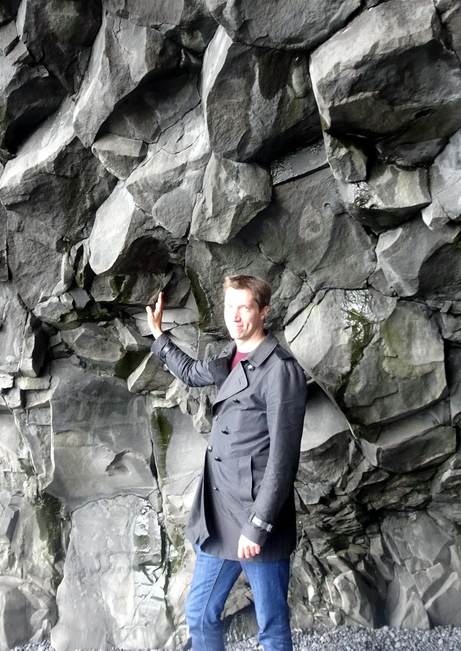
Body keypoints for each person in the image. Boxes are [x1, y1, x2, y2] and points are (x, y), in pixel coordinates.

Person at [146, 275, 308, 651]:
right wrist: (159, 335)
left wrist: (258, 525)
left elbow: (283, 460)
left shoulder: (280, 370)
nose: (235, 316)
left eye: (245, 307)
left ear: (263, 311)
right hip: (219, 515)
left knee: (272, 630)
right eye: (229, 307)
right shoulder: (229, 361)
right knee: (200, 616)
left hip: (256, 521)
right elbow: (188, 372)